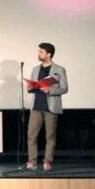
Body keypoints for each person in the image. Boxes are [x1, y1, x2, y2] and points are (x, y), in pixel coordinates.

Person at [26, 42, 68, 171]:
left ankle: (48, 161)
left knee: (50, 136)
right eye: (39, 51)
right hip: (36, 106)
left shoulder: (59, 69)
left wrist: (50, 90)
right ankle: (32, 161)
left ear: (49, 54)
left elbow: (64, 88)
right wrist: (30, 87)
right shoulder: (35, 69)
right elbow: (31, 87)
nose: (38, 54)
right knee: (31, 135)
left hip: (51, 107)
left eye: (41, 52)